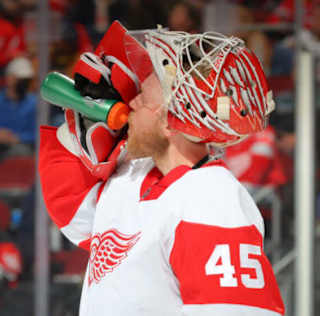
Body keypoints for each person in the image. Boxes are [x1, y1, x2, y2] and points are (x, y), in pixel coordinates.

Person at [39, 21, 284, 315]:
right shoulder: (131, 175)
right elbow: (73, 217)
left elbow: (237, 311)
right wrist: (77, 134)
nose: (130, 102)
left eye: (142, 97)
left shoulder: (210, 196)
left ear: (170, 123)